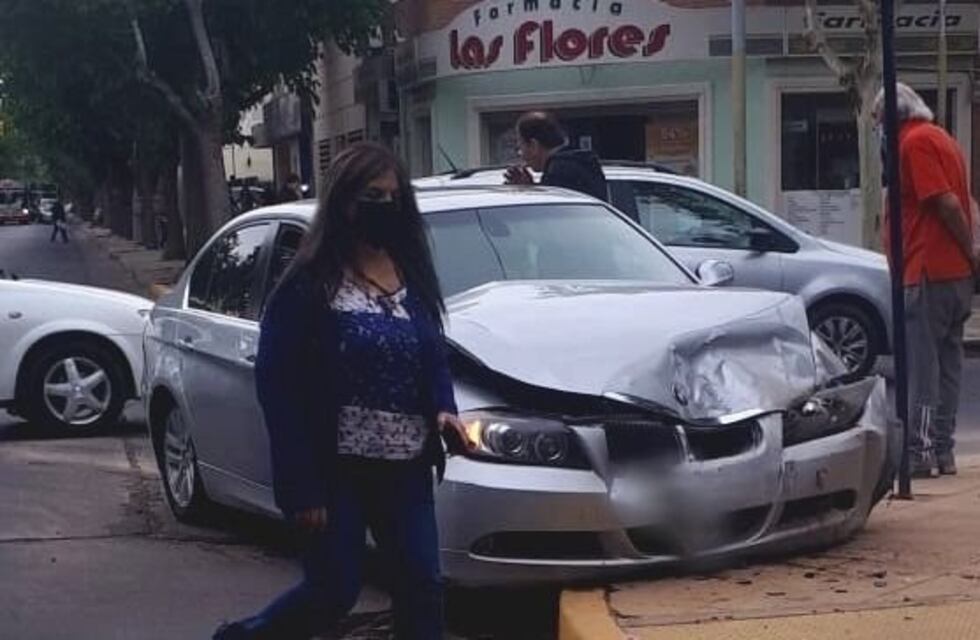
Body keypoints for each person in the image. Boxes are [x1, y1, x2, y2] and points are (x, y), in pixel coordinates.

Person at [214, 143, 472, 640]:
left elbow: (431, 352)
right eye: (372, 195)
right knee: (334, 589)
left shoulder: (411, 273)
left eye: (394, 197)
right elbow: (278, 385)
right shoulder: (309, 284)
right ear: (344, 202)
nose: (384, 207)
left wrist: (445, 409)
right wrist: (302, 486)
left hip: (406, 467)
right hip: (335, 472)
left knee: (422, 586)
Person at [876, 83, 975, 478]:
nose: (875, 127)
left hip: (927, 269)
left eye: (876, 119)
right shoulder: (943, 139)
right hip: (953, 274)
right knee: (949, 364)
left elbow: (946, 202)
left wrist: (970, 248)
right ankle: (944, 450)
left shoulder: (913, 143)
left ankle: (920, 452)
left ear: (891, 116)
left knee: (922, 368)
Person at [504, 111, 608, 202]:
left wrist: (532, 192)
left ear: (534, 145)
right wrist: (532, 187)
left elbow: (553, 212)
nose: (520, 153)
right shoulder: (583, 163)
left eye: (521, 146)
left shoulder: (558, 170)